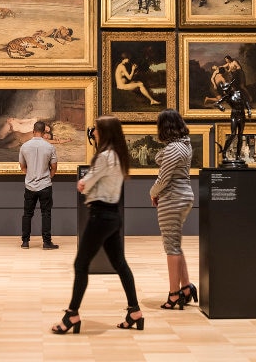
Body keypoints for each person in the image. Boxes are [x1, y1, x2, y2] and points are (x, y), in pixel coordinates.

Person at [52, 115, 143, 334]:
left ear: (105, 132)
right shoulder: (118, 155)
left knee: (81, 264)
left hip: (100, 216)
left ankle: (72, 314)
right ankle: (135, 311)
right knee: (120, 263)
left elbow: (85, 183)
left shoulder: (105, 157)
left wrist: (83, 183)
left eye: (96, 129)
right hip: (112, 217)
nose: (93, 132)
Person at [150, 109, 197, 310]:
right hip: (182, 196)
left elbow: (163, 178)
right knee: (175, 244)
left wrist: (152, 193)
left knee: (171, 247)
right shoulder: (184, 145)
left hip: (173, 198)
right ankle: (186, 287)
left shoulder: (173, 149)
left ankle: (174, 294)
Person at [19, 120, 59, 250]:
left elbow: (22, 166)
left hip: (30, 185)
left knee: (27, 214)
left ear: (33, 131)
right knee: (46, 214)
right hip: (45, 185)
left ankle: (25, 242)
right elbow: (54, 167)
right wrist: (49, 176)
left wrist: (30, 174)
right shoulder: (50, 147)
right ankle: (47, 243)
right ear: (44, 132)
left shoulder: (24, 146)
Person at [214, 80, 252, 161]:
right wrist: (220, 107)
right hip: (234, 115)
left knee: (240, 136)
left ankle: (238, 156)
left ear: (230, 88)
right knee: (233, 134)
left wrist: (249, 110)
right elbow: (216, 103)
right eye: (225, 90)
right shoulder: (227, 97)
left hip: (242, 115)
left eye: (227, 90)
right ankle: (224, 152)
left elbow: (246, 102)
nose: (225, 92)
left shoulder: (239, 93)